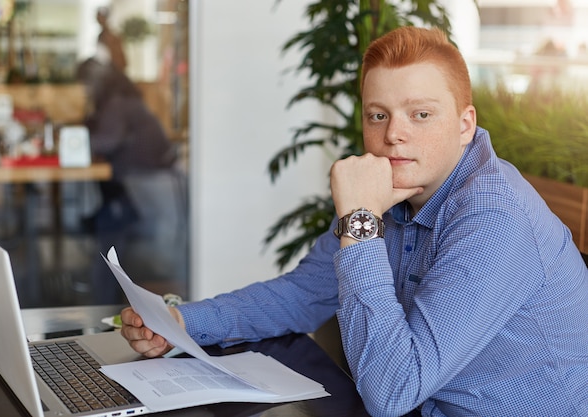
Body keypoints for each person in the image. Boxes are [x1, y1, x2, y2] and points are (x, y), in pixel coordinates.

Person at [119, 26, 588, 416]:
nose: (394, 134)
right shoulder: (394, 186)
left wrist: (360, 218)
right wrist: (180, 322)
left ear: (465, 124)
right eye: (377, 115)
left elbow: (391, 392)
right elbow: (303, 295)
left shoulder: (495, 217)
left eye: (421, 114)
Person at [75, 58, 183, 303]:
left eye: (85, 85)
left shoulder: (117, 103)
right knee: (113, 228)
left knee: (115, 231)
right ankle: (111, 293)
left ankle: (106, 299)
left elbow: (107, 140)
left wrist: (73, 140)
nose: (85, 91)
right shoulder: (123, 99)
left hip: (147, 180)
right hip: (147, 177)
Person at [96, 6, 127, 72]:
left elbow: (121, 61)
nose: (98, 19)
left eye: (100, 17)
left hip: (113, 72)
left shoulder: (113, 36)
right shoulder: (100, 36)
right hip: (104, 71)